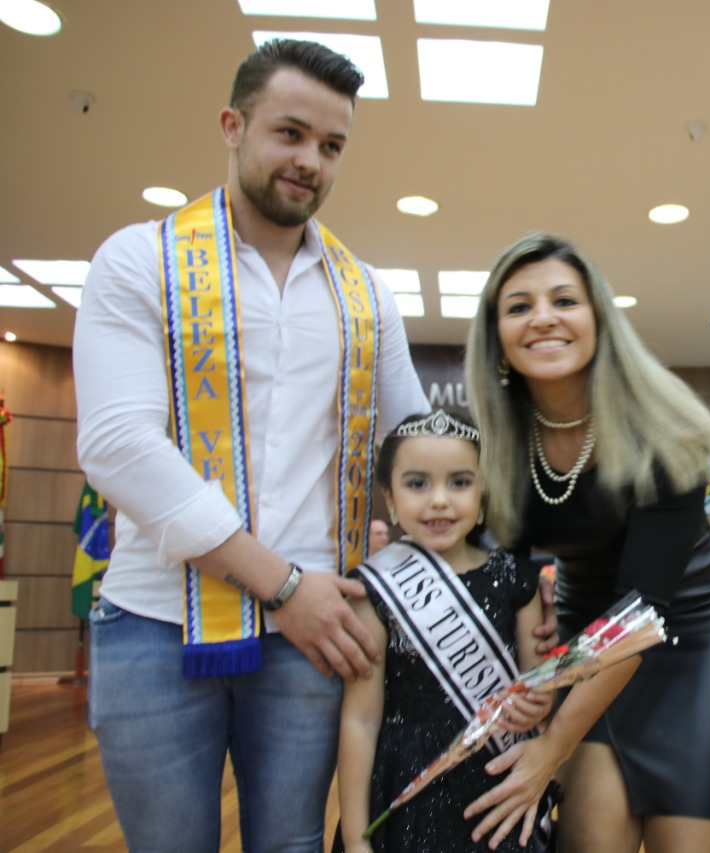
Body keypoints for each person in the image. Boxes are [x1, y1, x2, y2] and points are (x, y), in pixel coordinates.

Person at [73, 39, 434, 851]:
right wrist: (283, 585)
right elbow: (119, 445)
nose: (311, 160)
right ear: (233, 126)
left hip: (311, 636)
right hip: (156, 619)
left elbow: (414, 449)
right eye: (290, 133)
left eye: (332, 145)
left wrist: (456, 551)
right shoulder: (140, 259)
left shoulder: (366, 294)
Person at [464, 233, 710, 853]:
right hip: (585, 635)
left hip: (695, 638)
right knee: (590, 838)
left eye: (564, 300)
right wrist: (535, 653)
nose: (542, 317)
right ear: (496, 338)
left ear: (599, 320)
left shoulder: (662, 429)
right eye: (518, 306)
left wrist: (551, 747)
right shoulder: (498, 440)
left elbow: (641, 614)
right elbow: (508, 574)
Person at [336, 411, 556, 852]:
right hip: (406, 789)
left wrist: (539, 704)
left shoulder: (517, 580)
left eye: (459, 482)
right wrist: (356, 838)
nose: (439, 500)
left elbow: (540, 691)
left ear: (483, 492)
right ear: (389, 496)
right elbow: (360, 719)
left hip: (495, 784)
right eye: (417, 484)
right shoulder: (373, 590)